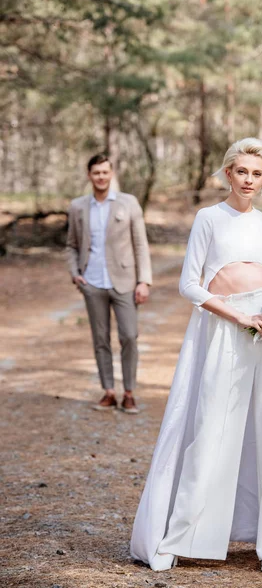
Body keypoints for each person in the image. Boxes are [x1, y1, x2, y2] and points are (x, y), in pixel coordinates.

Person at [130, 138, 262, 575]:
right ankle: (178, 536)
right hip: (225, 330)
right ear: (228, 173)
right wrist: (238, 316)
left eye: (257, 173)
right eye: (242, 171)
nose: (249, 180)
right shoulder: (208, 218)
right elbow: (189, 285)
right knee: (210, 425)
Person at [66, 153, 152, 414]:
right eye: (96, 173)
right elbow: (71, 245)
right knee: (100, 339)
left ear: (111, 173)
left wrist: (144, 281)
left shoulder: (128, 203)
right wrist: (75, 273)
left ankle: (129, 392)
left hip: (124, 281)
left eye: (105, 172)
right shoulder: (79, 206)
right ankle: (109, 392)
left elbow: (140, 244)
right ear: (89, 175)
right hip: (92, 282)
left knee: (129, 336)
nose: (101, 177)